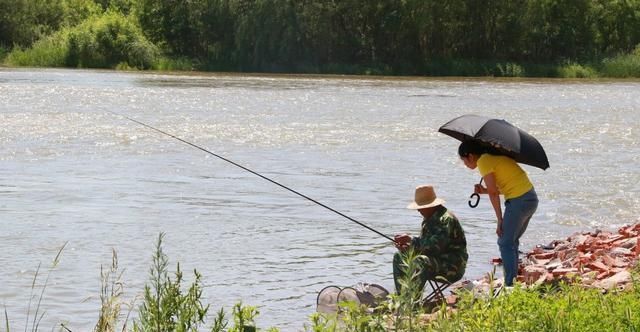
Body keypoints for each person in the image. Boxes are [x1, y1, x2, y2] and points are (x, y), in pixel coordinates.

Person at [458, 140, 539, 286]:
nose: (464, 164)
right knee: (511, 241)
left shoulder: (484, 161)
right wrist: (483, 191)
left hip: (519, 201)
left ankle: (509, 285)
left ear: (469, 156)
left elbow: (494, 193)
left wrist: (499, 219)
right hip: (530, 198)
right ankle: (512, 281)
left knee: (504, 241)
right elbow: (507, 186)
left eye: (463, 160)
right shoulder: (492, 158)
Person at [393, 185, 467, 295]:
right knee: (399, 256)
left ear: (430, 206)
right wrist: (408, 248)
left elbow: (434, 247)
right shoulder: (429, 219)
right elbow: (424, 247)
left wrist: (411, 241)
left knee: (420, 261)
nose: (418, 210)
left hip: (452, 266)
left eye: (421, 207)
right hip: (435, 262)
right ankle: (403, 298)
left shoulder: (446, 219)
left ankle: (413, 302)